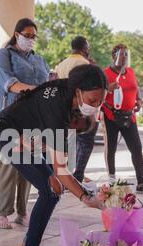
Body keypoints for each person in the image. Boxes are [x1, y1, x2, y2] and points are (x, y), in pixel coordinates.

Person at [0, 64, 107, 246]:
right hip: (8, 133)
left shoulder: (68, 88)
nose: (96, 106)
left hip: (25, 135)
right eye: (93, 100)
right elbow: (62, 172)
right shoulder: (58, 110)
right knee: (51, 189)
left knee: (54, 190)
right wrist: (87, 197)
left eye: (101, 101)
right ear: (79, 91)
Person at [0, 18, 50, 229]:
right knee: (9, 162)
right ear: (17, 35)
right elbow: (10, 84)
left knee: (29, 162)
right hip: (9, 117)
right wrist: (36, 91)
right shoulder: (3, 55)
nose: (31, 39)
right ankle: (2, 213)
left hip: (33, 118)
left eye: (34, 36)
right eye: (27, 35)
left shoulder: (39, 59)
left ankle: (23, 211)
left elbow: (49, 82)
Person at [101, 44, 143, 193]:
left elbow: (135, 89)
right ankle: (111, 181)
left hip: (130, 117)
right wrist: (107, 88)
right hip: (111, 116)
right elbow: (98, 94)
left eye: (126, 54)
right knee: (111, 148)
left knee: (136, 148)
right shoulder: (105, 73)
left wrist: (139, 100)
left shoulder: (130, 71)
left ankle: (141, 183)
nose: (124, 57)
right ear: (114, 56)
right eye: (122, 54)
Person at [55, 36, 98, 186]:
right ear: (84, 48)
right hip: (80, 110)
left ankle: (64, 175)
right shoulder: (85, 64)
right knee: (82, 143)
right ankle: (73, 178)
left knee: (66, 142)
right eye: (88, 47)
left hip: (63, 108)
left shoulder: (61, 64)